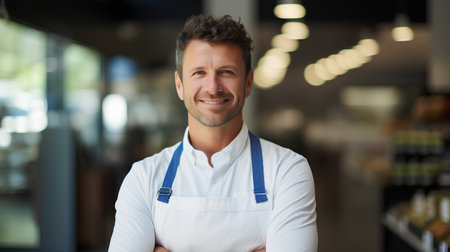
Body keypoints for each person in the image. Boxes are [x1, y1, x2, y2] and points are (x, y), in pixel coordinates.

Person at [108, 14, 317, 252]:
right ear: (179, 85)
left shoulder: (287, 171)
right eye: (199, 73)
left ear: (248, 83)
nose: (213, 87)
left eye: (226, 72)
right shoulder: (143, 178)